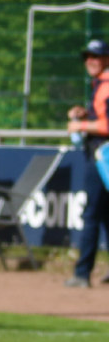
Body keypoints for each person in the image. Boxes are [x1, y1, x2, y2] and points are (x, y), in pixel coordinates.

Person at [64, 38, 109, 286]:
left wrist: (80, 124)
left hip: (103, 159)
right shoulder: (100, 84)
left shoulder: (107, 85)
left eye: (96, 56)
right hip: (101, 156)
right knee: (104, 215)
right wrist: (86, 114)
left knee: (91, 214)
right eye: (87, 56)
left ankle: (82, 274)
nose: (90, 60)